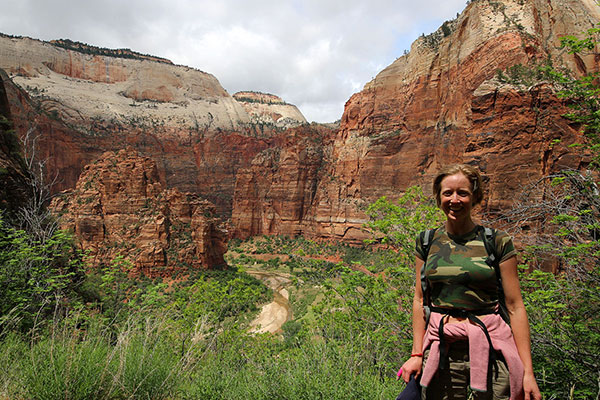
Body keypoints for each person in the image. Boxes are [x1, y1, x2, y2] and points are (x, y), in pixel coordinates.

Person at [398, 164, 542, 400]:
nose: (455, 200)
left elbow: (515, 306)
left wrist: (528, 372)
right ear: (438, 197)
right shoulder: (426, 241)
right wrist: (416, 354)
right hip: (444, 348)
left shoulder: (497, 242)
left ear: (475, 197)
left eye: (462, 193)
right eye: (448, 193)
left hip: (492, 346)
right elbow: (420, 299)